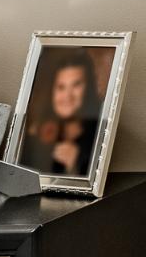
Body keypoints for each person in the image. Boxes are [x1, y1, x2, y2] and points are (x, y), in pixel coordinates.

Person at [19, 49, 104, 179]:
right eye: (61, 87)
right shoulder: (34, 136)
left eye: (76, 85)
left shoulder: (99, 135)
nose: (67, 96)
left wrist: (76, 165)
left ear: (88, 88)